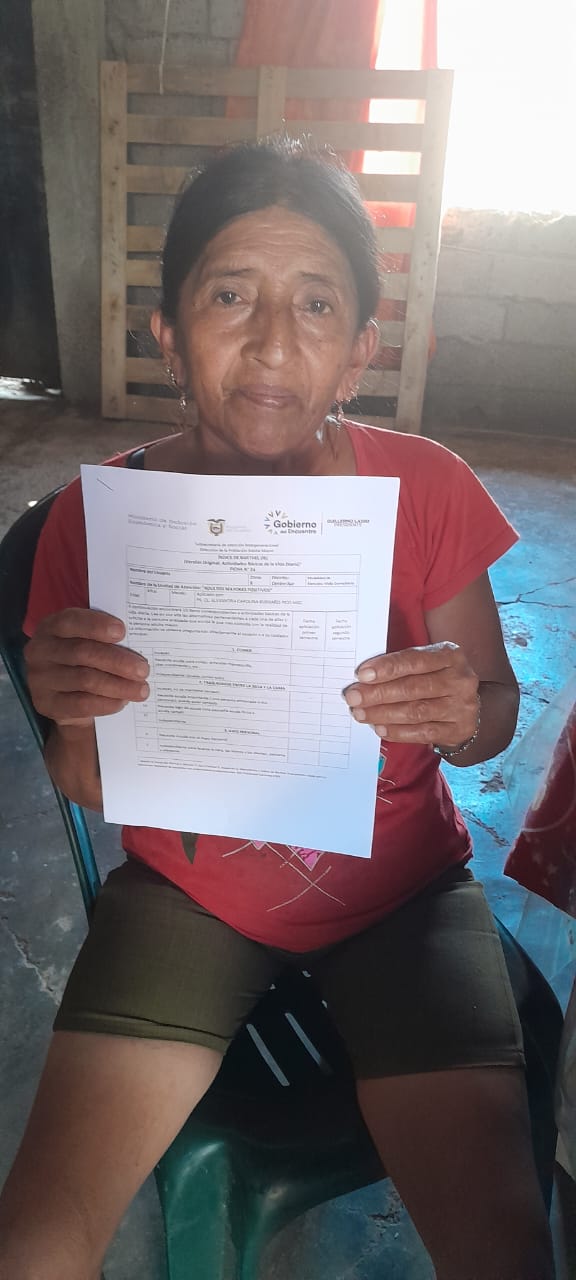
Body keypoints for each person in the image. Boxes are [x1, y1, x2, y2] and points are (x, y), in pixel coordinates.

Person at [0, 139, 553, 1280]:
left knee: (501, 1246)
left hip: (403, 893)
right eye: (229, 295)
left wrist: (463, 708)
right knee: (32, 1242)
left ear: (359, 350)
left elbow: (495, 720)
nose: (270, 341)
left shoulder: (425, 489)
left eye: (315, 304)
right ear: (166, 330)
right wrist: (75, 717)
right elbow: (85, 781)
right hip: (188, 895)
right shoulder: (98, 524)